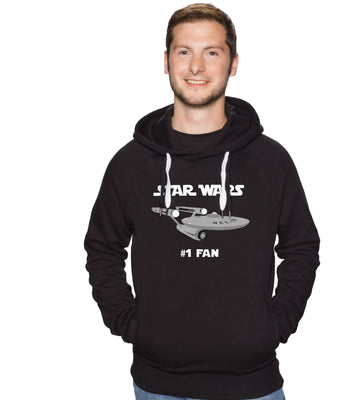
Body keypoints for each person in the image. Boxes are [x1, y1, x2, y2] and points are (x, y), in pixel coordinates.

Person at [84, 3, 320, 400]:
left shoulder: (269, 161)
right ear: (166, 62)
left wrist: (276, 324)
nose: (196, 66)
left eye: (211, 52)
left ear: (233, 63)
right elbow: (103, 248)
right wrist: (130, 323)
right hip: (158, 384)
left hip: (254, 383)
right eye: (184, 52)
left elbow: (301, 247)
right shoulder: (132, 163)